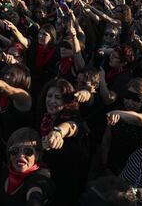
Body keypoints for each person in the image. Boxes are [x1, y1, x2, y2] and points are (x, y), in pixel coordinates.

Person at [38, 78, 89, 206]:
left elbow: (70, 126)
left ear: (66, 101)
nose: (51, 101)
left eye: (58, 97)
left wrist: (57, 132)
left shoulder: (75, 119)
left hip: (67, 180)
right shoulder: (46, 117)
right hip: (49, 174)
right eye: (49, 96)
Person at [0, 127, 54, 206]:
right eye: (15, 150)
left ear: (37, 155)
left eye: (28, 151)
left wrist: (35, 200)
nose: (20, 155)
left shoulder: (40, 176)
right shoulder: (5, 171)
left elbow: (36, 190)